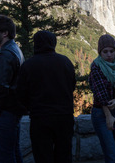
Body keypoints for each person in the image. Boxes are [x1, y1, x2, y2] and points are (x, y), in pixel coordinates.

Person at [16, 31, 76, 163]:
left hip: (40, 117)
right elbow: (72, 85)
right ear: (53, 43)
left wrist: (28, 107)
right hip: (64, 116)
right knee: (64, 154)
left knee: (42, 156)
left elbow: (21, 93)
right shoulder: (65, 62)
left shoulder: (29, 65)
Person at [0, 15, 25, 163]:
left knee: (5, 157)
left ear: (4, 33)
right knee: (13, 153)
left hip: (3, 114)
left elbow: (0, 88)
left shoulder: (5, 54)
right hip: (12, 112)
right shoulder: (14, 49)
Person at [89, 34, 115, 163]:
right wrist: (108, 116)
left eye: (111, 51)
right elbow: (100, 94)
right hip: (101, 114)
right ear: (100, 52)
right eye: (105, 51)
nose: (109, 54)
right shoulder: (96, 67)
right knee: (111, 153)